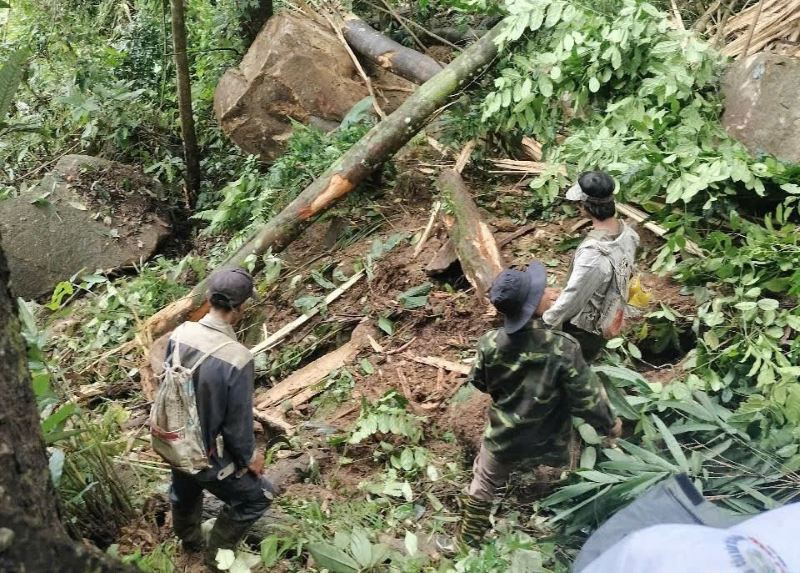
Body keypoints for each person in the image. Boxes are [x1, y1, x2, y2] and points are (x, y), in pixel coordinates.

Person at [455, 262, 622, 551]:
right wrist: (610, 423)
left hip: (504, 437)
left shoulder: (489, 344)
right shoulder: (563, 346)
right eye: (541, 292)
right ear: (531, 307)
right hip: (550, 441)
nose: (549, 293)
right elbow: (587, 398)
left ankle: (466, 545)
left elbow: (480, 383)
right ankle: (558, 536)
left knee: (483, 484)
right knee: (559, 479)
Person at [164, 267, 275, 566]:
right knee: (259, 497)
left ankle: (189, 541)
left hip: (174, 440)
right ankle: (216, 557)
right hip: (205, 454)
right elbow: (236, 425)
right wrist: (249, 458)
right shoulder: (237, 357)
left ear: (209, 297)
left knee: (184, 488)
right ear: (239, 307)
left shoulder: (180, 333)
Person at [543, 171, 640, 362]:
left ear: (585, 206)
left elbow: (574, 296)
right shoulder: (629, 235)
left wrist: (546, 321)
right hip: (609, 316)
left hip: (583, 330)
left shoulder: (593, 254)